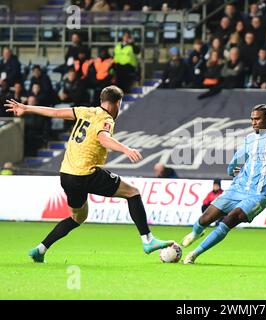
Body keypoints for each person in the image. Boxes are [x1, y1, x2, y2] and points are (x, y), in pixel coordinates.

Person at [4, 86, 173, 263]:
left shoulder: (84, 111)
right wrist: (126, 149)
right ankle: (148, 240)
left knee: (78, 217)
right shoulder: (106, 118)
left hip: (66, 175)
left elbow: (55, 112)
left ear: (101, 100)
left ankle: (40, 249)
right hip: (86, 173)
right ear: (117, 103)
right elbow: (103, 138)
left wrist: (27, 108)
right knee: (132, 192)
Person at [181, 104, 266, 264]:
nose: (254, 122)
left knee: (229, 220)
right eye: (252, 119)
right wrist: (232, 169)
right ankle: (196, 233)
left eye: (257, 119)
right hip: (237, 188)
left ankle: (194, 254)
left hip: (259, 194)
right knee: (205, 219)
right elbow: (235, 162)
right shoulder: (250, 139)